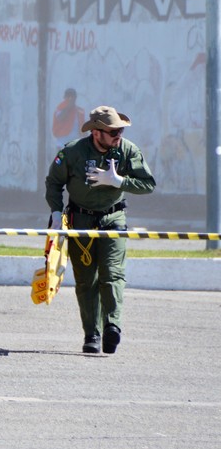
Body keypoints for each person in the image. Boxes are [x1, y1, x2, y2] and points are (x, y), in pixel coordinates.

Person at [45, 105, 155, 355]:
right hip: (80, 220)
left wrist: (119, 181)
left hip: (113, 219)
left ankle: (112, 326)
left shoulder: (127, 150)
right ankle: (92, 334)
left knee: (112, 274)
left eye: (121, 131)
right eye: (113, 132)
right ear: (96, 133)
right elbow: (53, 182)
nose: (119, 136)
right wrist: (54, 211)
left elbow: (148, 183)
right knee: (86, 280)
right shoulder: (73, 152)